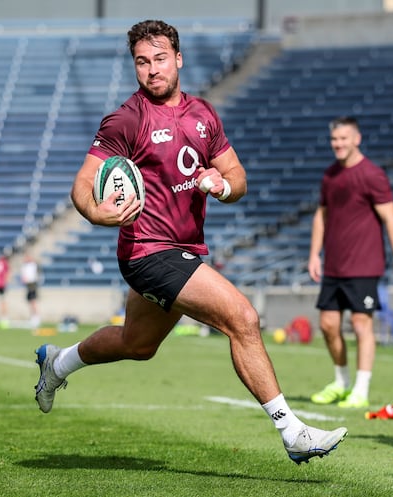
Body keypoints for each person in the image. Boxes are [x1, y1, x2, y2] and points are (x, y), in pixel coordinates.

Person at [33, 19, 347, 465]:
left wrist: (222, 186)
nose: (152, 70)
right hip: (147, 251)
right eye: (142, 62)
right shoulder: (127, 119)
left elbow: (238, 179)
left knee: (137, 345)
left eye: (160, 59)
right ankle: (292, 432)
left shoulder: (203, 114)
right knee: (242, 317)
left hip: (184, 250)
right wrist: (96, 212)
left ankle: (57, 363)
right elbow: (83, 183)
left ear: (178, 59)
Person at [307, 116, 393, 409]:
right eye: (334, 139)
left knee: (361, 324)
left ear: (356, 139)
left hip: (364, 265)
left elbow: (391, 218)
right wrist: (314, 254)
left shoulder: (373, 175)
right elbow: (321, 215)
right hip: (334, 265)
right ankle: (341, 382)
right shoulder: (330, 175)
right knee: (328, 325)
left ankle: (361, 390)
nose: (338, 144)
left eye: (343, 138)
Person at [19, 251, 40, 329]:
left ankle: (36, 318)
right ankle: (33, 317)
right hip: (28, 285)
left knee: (33, 301)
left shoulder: (33, 265)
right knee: (31, 302)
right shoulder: (24, 266)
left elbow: (35, 275)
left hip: (32, 284)